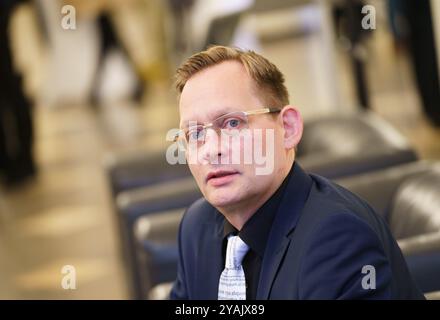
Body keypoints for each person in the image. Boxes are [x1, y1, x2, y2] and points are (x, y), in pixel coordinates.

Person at [169, 45, 424, 300]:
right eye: (195, 134)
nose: (211, 150)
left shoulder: (337, 238)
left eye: (232, 123)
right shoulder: (196, 226)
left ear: (288, 128)